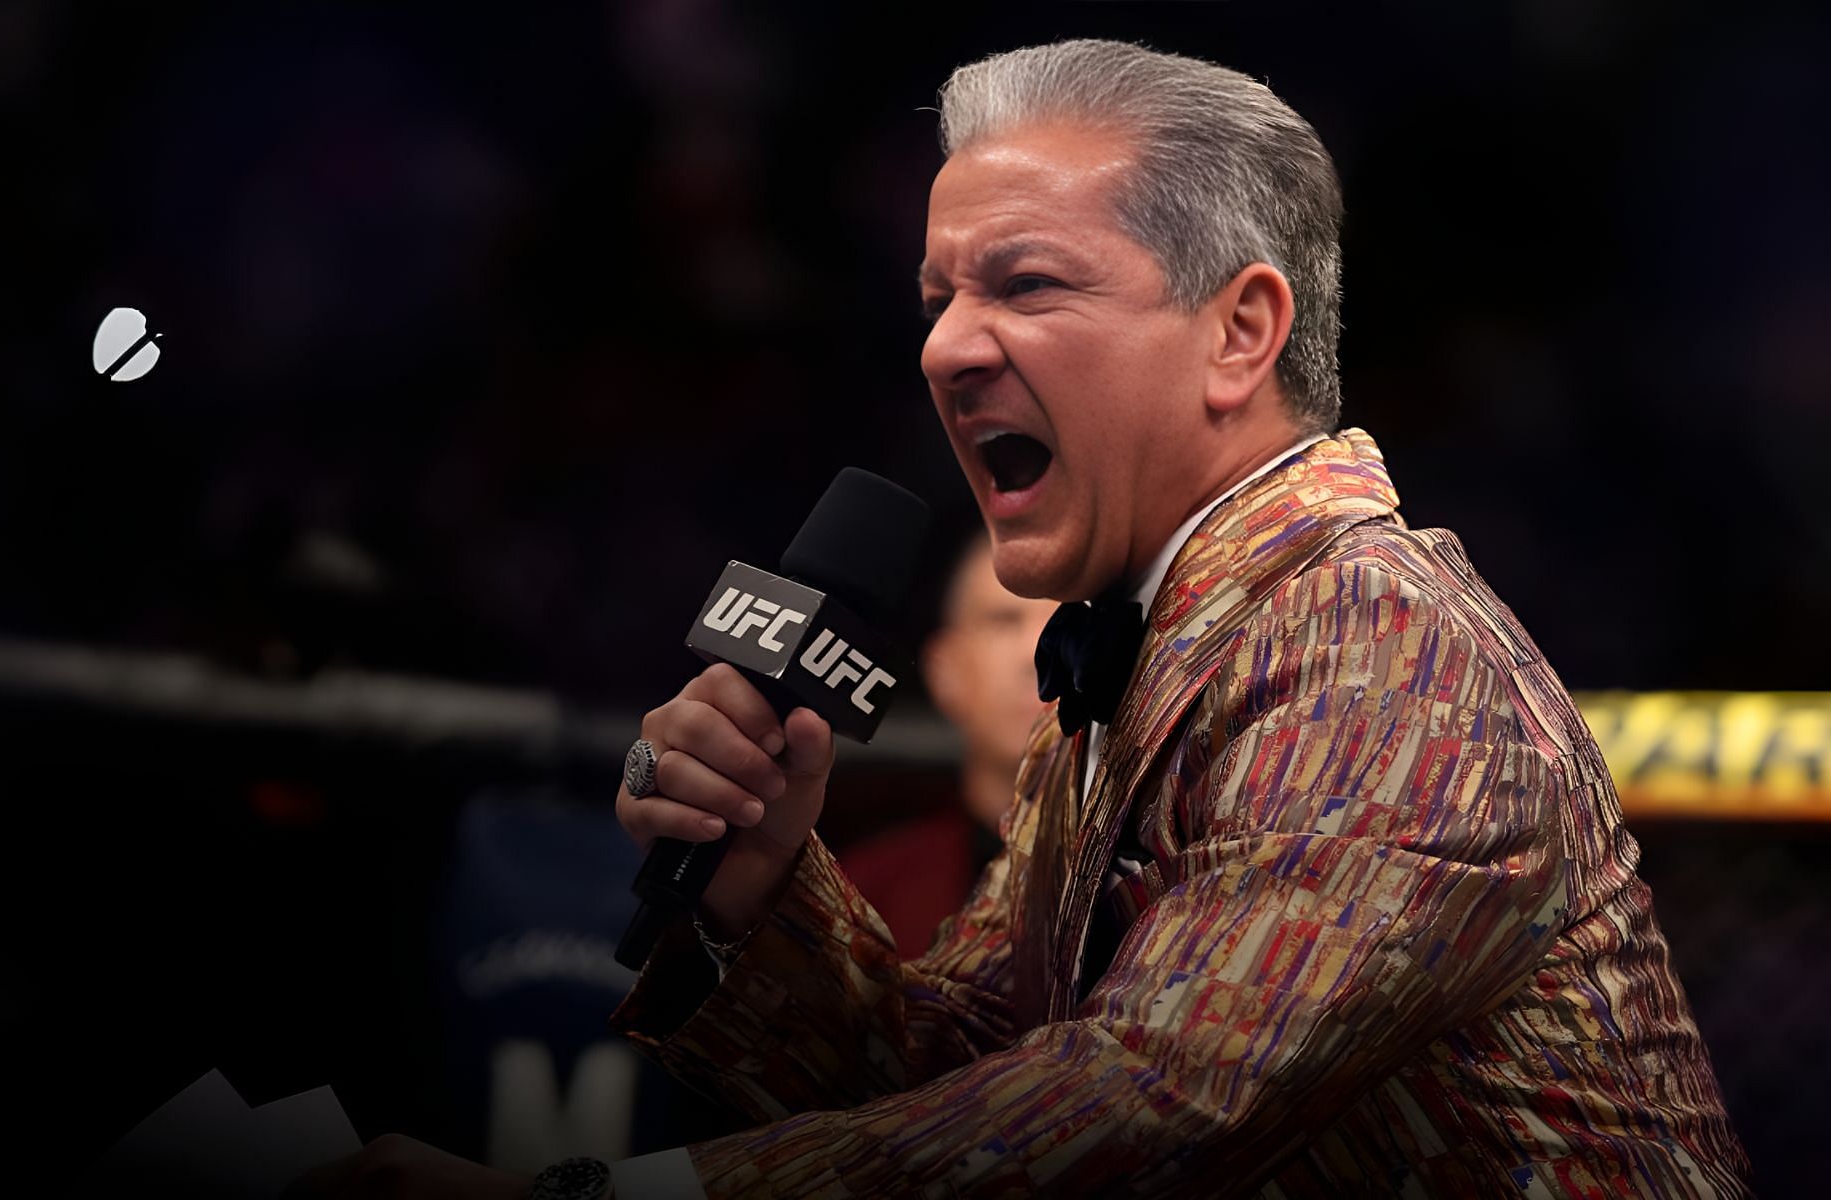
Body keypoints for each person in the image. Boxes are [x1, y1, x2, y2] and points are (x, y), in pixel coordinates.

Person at [295, 38, 1751, 1198]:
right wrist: (763, 887)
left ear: (1240, 333)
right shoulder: (1154, 645)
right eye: (938, 296)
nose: (945, 345)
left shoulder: (1374, 641)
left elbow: (1144, 1108)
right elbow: (954, 1074)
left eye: (1025, 284)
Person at [836, 533, 1055, 957]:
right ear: (945, 672)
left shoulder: (1168, 883)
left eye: (1068, 618)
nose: (1036, 651)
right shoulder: (863, 898)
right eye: (1003, 620)